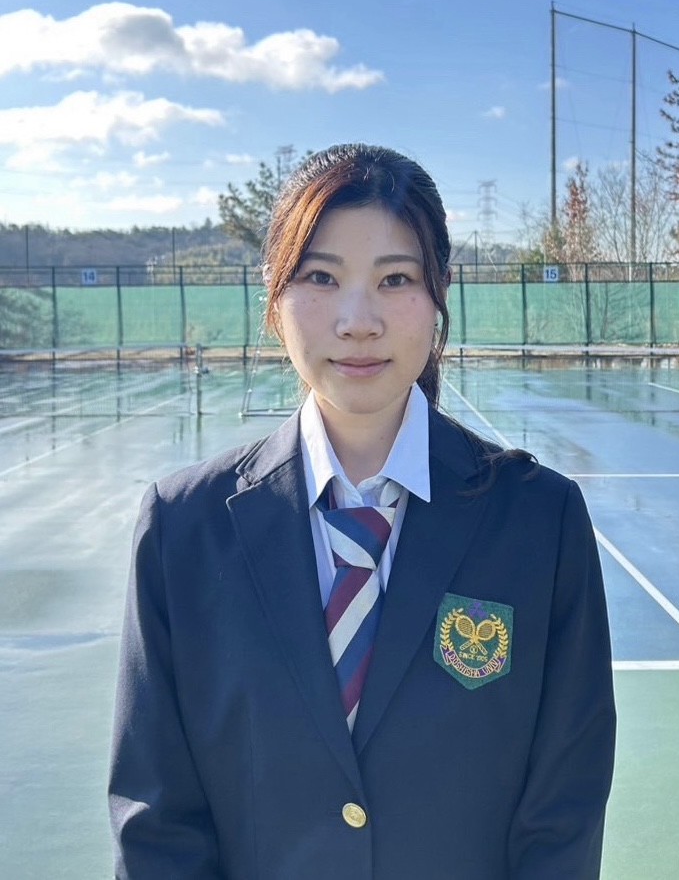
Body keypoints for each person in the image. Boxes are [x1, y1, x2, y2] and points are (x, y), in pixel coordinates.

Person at [109, 143, 616, 880]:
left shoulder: (542, 523)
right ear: (273, 298)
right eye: (321, 277)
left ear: (438, 295)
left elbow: (562, 815)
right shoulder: (181, 531)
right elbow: (158, 823)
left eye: (395, 278)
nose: (358, 319)